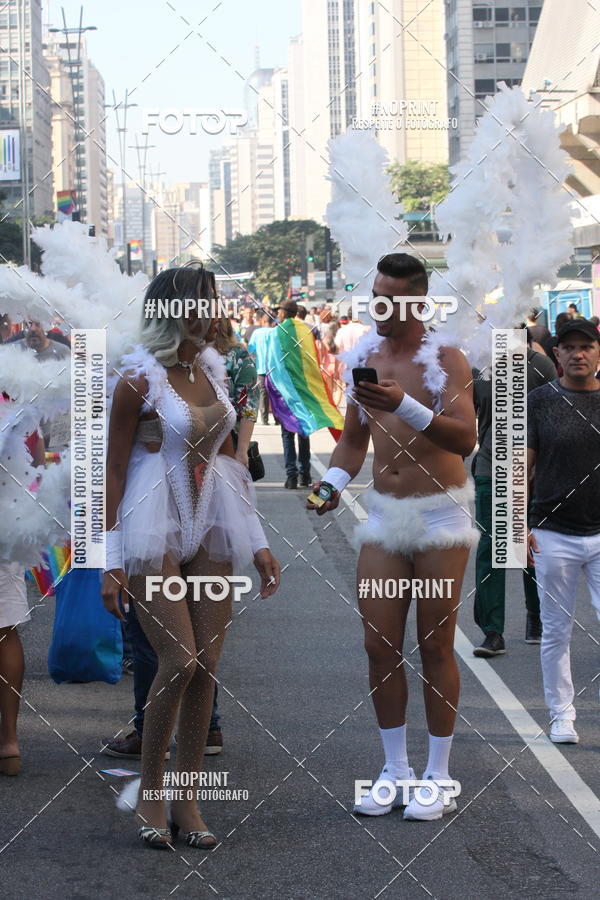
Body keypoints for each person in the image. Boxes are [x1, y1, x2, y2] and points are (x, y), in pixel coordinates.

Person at [102, 265, 280, 849]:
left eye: (214, 298)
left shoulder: (211, 367)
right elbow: (111, 468)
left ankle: (188, 801)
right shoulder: (137, 377)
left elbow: (228, 459)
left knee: (205, 666)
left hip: (212, 521)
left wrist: (256, 541)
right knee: (177, 661)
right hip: (151, 522)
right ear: (175, 308)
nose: (214, 309)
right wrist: (107, 559)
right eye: (204, 300)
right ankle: (151, 792)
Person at [309, 253, 478, 821]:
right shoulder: (363, 356)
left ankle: (437, 774)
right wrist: (331, 483)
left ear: (417, 303)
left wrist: (404, 403)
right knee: (379, 644)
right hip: (383, 514)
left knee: (434, 644)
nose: (377, 307)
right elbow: (355, 441)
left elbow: (464, 439)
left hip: (440, 515)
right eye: (374, 295)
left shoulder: (445, 360)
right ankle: (395, 769)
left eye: (389, 298)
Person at [527, 318, 600, 744]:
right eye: (569, 347)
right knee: (556, 630)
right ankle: (561, 715)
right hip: (553, 532)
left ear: (597, 353)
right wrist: (517, 525)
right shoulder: (540, 401)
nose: (578, 354)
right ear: (556, 354)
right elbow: (521, 466)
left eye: (586, 347)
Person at [471, 330, 556, 656]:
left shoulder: (541, 367)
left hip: (533, 472)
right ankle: (493, 631)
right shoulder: (479, 368)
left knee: (528, 548)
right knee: (491, 548)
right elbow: (472, 417)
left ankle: (536, 617)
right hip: (490, 468)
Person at [0, 401, 45, 777]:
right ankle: (9, 741)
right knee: (5, 628)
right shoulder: (14, 394)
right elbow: (38, 459)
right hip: (6, 518)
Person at [277, 299, 312, 489]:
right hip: (301, 387)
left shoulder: (277, 332)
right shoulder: (304, 331)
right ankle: (304, 474)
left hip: (285, 388)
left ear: (285, 313)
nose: (278, 314)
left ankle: (292, 476)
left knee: (288, 433)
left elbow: (272, 362)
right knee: (303, 432)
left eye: (280, 311)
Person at [247, 308, 275, 425]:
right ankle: (278, 418)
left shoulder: (256, 333)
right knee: (274, 392)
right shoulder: (276, 332)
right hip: (274, 368)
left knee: (263, 392)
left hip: (261, 368)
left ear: (263, 320)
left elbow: (250, 349)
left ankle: (264, 419)